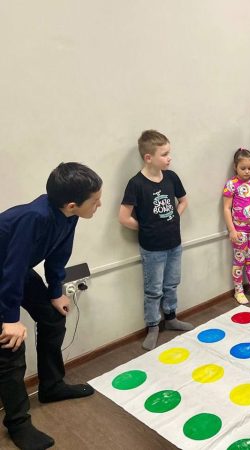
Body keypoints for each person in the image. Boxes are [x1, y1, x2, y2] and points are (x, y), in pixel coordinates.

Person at [0, 162, 102, 450]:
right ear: (72, 204)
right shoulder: (34, 218)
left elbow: (58, 255)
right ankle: (18, 423)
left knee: (53, 318)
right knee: (10, 346)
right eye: (95, 201)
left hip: (14, 270)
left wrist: (56, 292)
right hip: (7, 271)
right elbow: (12, 270)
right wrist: (9, 318)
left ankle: (52, 386)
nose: (99, 205)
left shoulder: (69, 216)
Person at [119, 130, 193, 351]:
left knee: (172, 283)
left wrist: (175, 216)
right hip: (152, 249)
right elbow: (124, 217)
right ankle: (153, 326)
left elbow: (183, 201)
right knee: (154, 289)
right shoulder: (136, 184)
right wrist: (146, 227)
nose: (169, 158)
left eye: (169, 153)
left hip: (174, 243)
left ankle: (170, 317)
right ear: (148, 157)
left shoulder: (171, 177)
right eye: (164, 154)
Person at [223, 148, 250, 304]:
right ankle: (239, 291)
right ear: (235, 167)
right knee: (239, 262)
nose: (247, 171)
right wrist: (232, 230)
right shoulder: (231, 185)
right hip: (239, 232)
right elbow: (226, 208)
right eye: (243, 168)